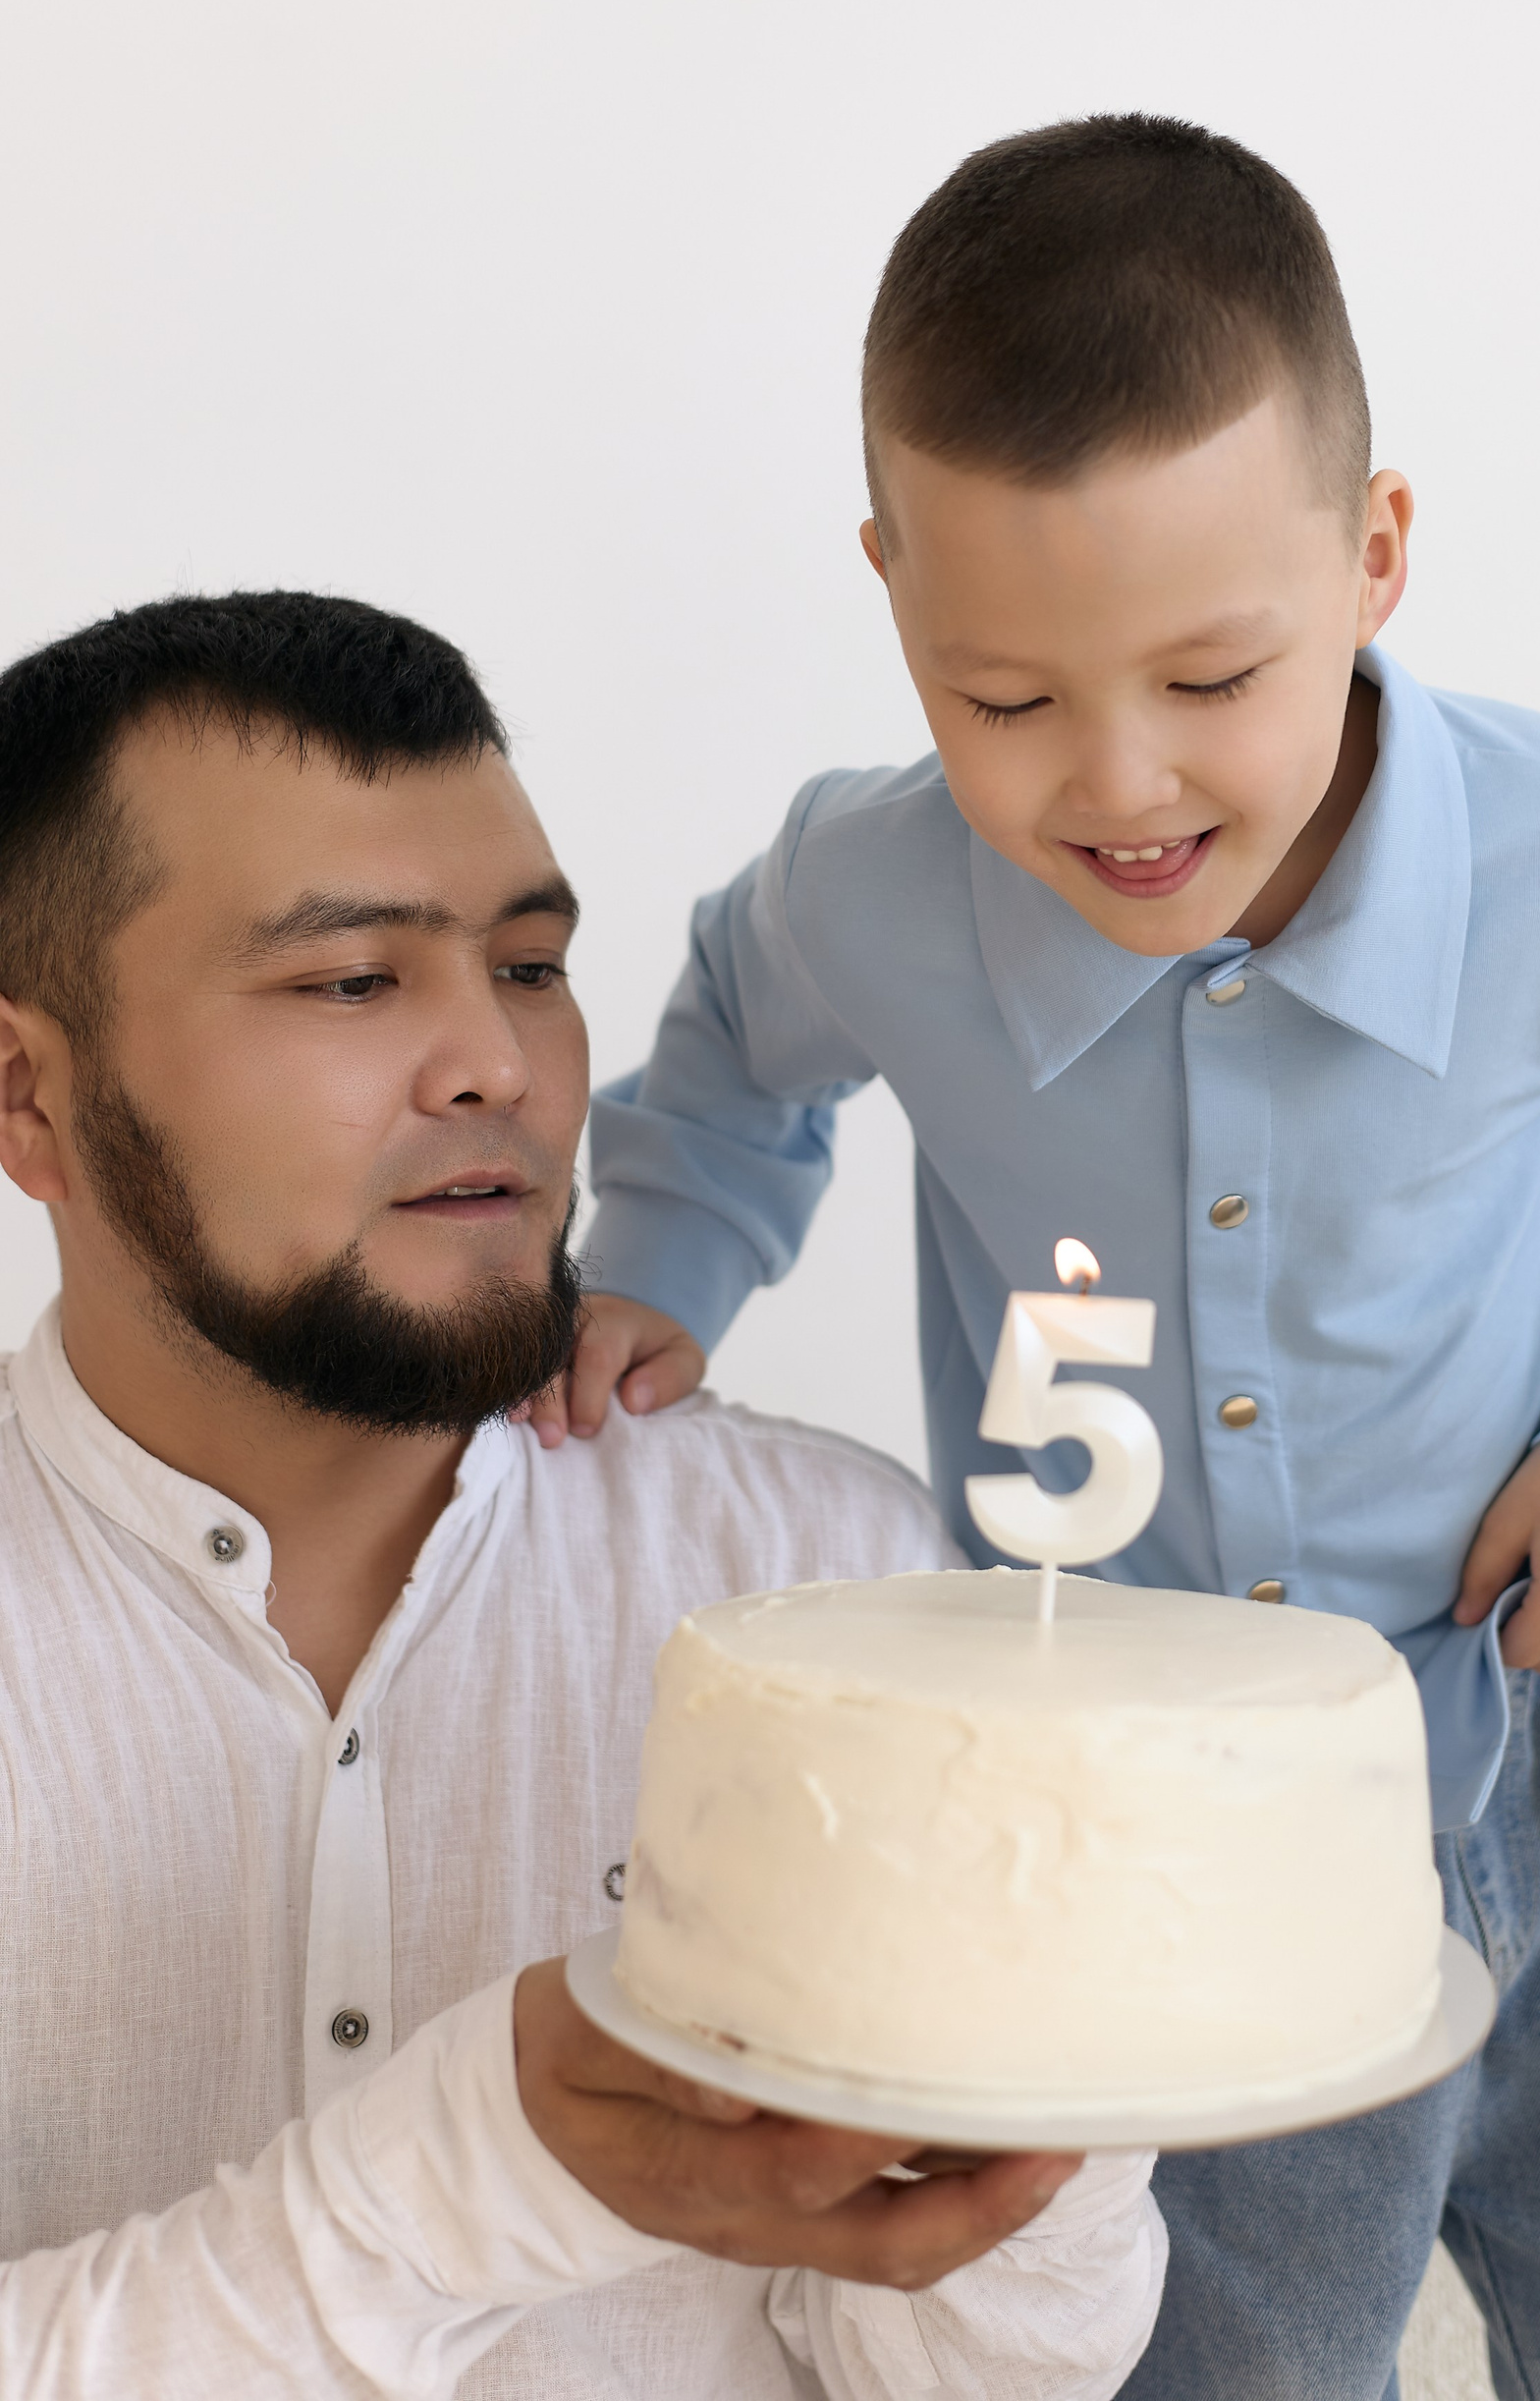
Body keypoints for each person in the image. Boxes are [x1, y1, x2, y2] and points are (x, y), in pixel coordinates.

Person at [560, 117, 1540, 2399]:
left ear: (1374, 557)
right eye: (1003, 700)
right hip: (1144, 1784)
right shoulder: (865, 893)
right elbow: (733, 1058)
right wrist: (667, 1257)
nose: (1120, 782)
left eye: (1210, 678)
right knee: (1210, 2346)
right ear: (891, 590)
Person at [0, 589, 1165, 2400]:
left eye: (531, 965)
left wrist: (1051, 2120)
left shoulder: (833, 1583)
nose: (503, 1064)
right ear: (27, 1096)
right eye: (353, 979)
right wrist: (476, 2176)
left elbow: (988, 2376)